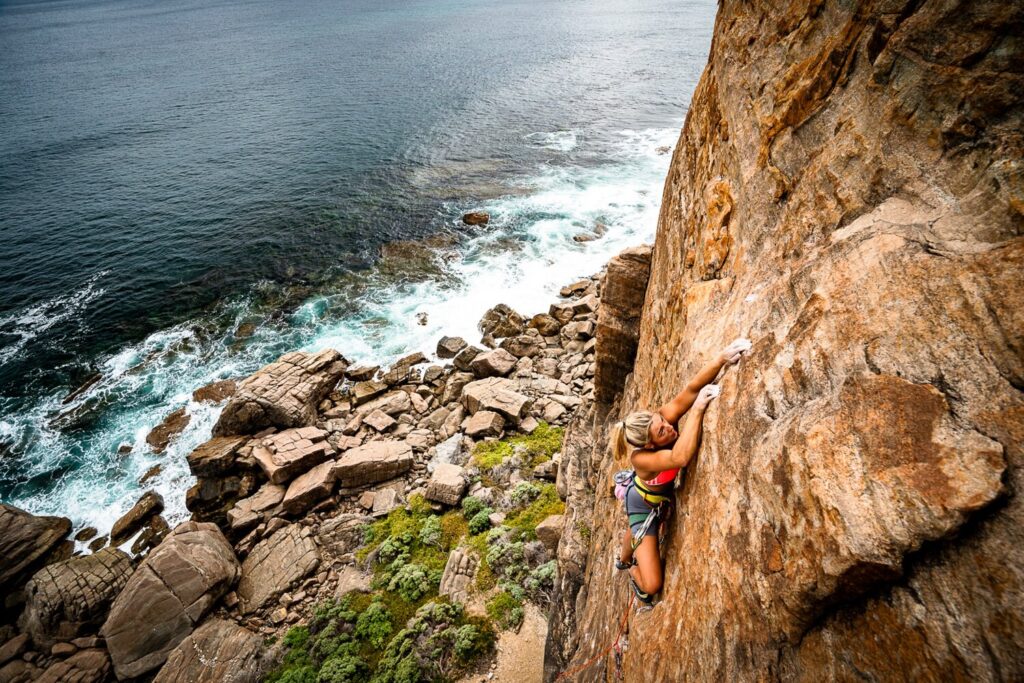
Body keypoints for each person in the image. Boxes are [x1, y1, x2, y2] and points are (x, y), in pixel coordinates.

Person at [611, 337, 751, 604]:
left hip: (647, 497)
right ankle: (630, 567)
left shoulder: (663, 419)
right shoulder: (642, 459)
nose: (668, 426)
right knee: (652, 585)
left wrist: (722, 358)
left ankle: (624, 555)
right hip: (642, 504)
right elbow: (680, 456)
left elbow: (691, 388)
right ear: (650, 444)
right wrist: (698, 409)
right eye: (661, 431)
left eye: (661, 420)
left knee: (637, 529)